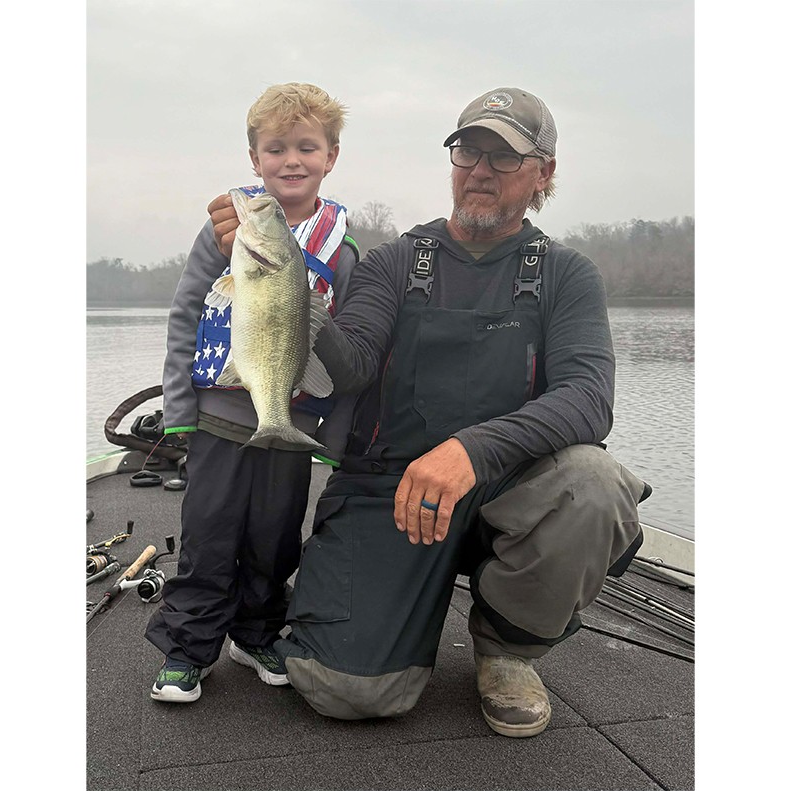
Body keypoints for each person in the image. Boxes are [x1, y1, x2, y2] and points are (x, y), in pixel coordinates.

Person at [209, 86, 650, 737]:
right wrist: (287, 288)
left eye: (502, 158)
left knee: (593, 484)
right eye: (468, 150)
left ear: (543, 174)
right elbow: (350, 365)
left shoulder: (565, 273)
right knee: (345, 690)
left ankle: (505, 649)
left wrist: (470, 451)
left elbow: (587, 398)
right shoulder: (395, 262)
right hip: (392, 491)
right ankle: (378, 595)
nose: (479, 170)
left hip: (509, 492)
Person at [144, 82, 359, 703]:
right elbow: (186, 314)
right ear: (254, 158)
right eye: (276, 148)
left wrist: (333, 438)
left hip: (290, 426)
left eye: (306, 147)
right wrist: (179, 412)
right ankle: (187, 649)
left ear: (331, 156)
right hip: (216, 420)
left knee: (274, 537)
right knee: (209, 538)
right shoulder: (225, 233)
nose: (291, 160)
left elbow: (353, 346)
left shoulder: (341, 249)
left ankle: (257, 630)